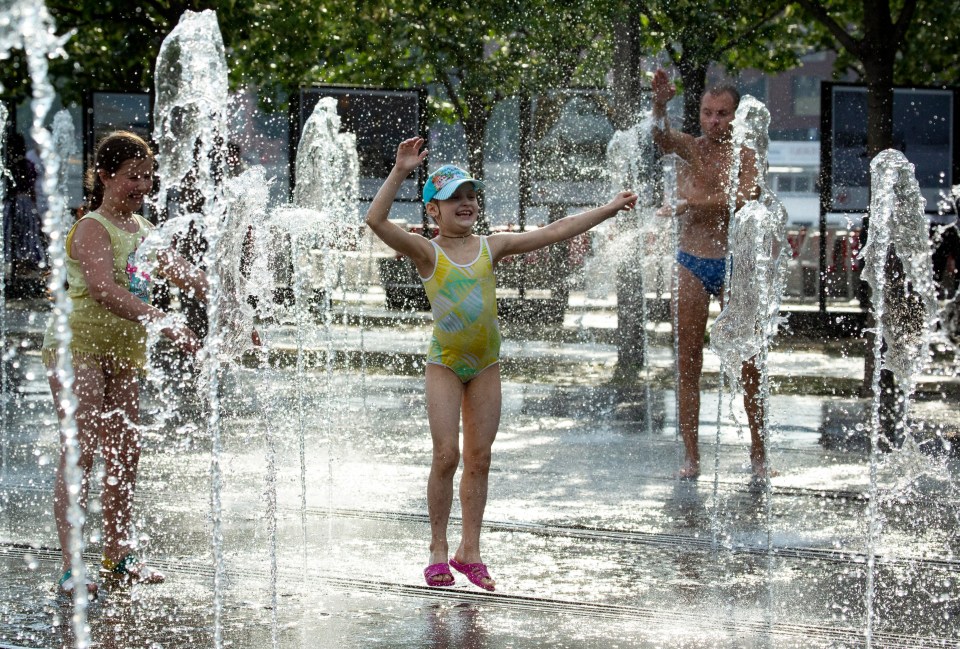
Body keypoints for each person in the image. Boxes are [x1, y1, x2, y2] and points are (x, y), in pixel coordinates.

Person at [366, 137, 637, 590]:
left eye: (471, 195)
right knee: (446, 455)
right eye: (454, 198)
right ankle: (437, 546)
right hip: (446, 364)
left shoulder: (493, 246)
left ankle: (469, 550)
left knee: (480, 458)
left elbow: (555, 230)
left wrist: (608, 209)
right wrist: (399, 172)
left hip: (486, 365)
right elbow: (375, 220)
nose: (466, 203)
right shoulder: (426, 252)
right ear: (433, 211)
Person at [43, 131, 209, 598]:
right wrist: (165, 322)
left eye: (147, 176)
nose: (141, 185)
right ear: (104, 176)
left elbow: (185, 273)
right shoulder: (93, 226)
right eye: (131, 176)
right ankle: (73, 565)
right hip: (80, 346)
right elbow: (101, 288)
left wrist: (232, 308)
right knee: (84, 450)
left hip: (123, 351)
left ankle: (118, 555)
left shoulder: (144, 229)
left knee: (125, 452)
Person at [650, 69, 769, 482]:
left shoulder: (749, 157)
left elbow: (742, 198)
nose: (714, 121)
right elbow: (660, 137)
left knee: (750, 361)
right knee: (688, 362)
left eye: (722, 114)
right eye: (707, 113)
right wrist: (660, 104)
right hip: (691, 261)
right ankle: (691, 455)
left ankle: (758, 452)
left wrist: (689, 203)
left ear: (736, 117)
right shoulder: (688, 147)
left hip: (735, 264)